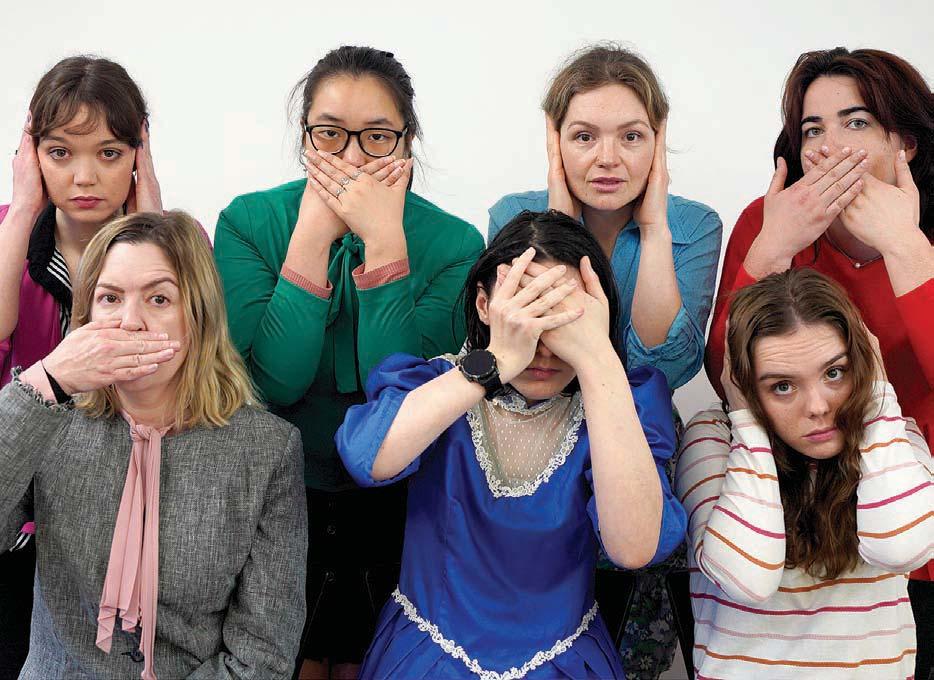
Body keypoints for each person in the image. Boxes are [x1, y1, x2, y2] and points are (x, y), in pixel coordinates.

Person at [214, 45, 484, 678]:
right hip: (275, 494)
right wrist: (311, 236)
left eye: (377, 137)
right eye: (331, 134)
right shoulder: (249, 221)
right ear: (305, 135)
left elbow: (396, 394)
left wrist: (385, 240)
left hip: (403, 498)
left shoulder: (456, 243)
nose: (354, 158)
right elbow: (272, 383)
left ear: (407, 141)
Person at [336, 209, 686, 679]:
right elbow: (367, 458)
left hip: (564, 664)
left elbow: (634, 547)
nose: (543, 347)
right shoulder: (436, 386)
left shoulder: (621, 406)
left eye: (562, 319)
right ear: (486, 306)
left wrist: (598, 357)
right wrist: (495, 359)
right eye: (526, 312)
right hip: (426, 659)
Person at [489, 43, 721, 676]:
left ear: (659, 142)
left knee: (628, 631)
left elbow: (663, 368)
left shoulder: (693, 225)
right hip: (539, 435)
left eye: (632, 136)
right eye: (584, 136)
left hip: (638, 436)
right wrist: (557, 223)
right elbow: (530, 345)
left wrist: (655, 225)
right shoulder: (513, 216)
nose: (608, 158)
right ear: (555, 141)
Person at [703, 47, 934, 679]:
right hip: (805, 527)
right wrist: (770, 249)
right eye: (812, 129)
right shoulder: (767, 220)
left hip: (917, 514)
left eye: (856, 122)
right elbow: (730, 380)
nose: (829, 146)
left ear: (905, 143)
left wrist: (906, 246)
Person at [0, 211, 307, 679]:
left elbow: (261, 658)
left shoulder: (268, 450)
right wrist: (45, 380)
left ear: (198, 316)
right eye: (110, 298)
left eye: (159, 299)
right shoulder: (51, 421)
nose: (131, 322)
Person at [679, 268, 933, 678]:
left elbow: (901, 548)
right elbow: (748, 580)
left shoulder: (892, 436)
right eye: (782, 386)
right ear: (744, 387)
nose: (817, 407)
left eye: (835, 372)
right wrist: (749, 429)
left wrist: (878, 401)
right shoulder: (716, 438)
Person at [0, 55, 165, 676]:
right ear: (31, 154)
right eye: (60, 153)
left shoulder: (180, 238)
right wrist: (21, 210)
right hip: (13, 505)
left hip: (116, 514)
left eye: (110, 153)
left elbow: (178, 371)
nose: (85, 176)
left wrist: (156, 228)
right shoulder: (8, 232)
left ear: (138, 156)